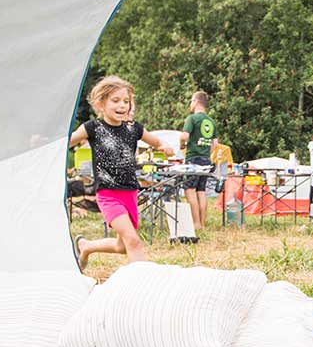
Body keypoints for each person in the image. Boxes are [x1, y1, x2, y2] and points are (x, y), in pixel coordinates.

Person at [68, 76, 173, 269]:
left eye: (126, 101)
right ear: (101, 104)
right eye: (115, 101)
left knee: (122, 246)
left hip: (130, 193)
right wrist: (45, 143)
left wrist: (164, 146)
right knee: (133, 241)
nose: (122, 105)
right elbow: (68, 141)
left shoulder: (134, 129)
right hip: (108, 194)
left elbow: (156, 142)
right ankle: (141, 286)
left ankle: (86, 246)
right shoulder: (93, 128)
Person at [179, 91, 217, 232]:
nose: (190, 104)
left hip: (193, 159)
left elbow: (184, 136)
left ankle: (195, 223)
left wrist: (181, 144)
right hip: (206, 160)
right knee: (201, 191)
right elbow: (215, 143)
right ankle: (202, 223)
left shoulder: (192, 118)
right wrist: (207, 153)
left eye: (191, 101)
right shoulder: (211, 121)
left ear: (195, 101)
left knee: (189, 190)